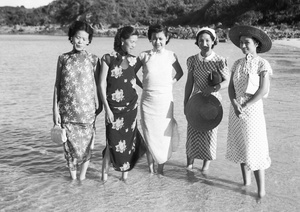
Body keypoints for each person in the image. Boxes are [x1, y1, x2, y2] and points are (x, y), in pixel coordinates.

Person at [226, 25, 272, 198]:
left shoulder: (262, 64)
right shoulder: (237, 63)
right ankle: (245, 185)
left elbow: (262, 89)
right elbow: (230, 88)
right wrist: (234, 103)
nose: (243, 46)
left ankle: (261, 192)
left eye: (247, 43)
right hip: (236, 109)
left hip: (252, 111)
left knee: (255, 148)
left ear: (256, 44)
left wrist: (245, 106)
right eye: (241, 43)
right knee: (241, 147)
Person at [52, 21, 102, 180]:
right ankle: (73, 180)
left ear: (89, 41)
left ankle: (82, 177)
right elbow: (57, 85)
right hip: (67, 111)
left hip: (87, 110)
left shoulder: (94, 59)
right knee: (69, 147)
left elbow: (99, 84)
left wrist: (100, 103)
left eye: (84, 38)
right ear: (71, 38)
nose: (80, 41)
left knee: (86, 147)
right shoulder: (63, 58)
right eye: (77, 37)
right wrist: (54, 110)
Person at [134, 24, 184, 175]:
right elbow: (131, 73)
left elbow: (180, 73)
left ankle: (160, 169)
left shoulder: (171, 55)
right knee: (149, 135)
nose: (157, 41)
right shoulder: (144, 55)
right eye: (154, 38)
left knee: (163, 135)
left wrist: (170, 83)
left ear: (166, 38)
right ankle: (150, 170)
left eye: (161, 38)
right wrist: (141, 85)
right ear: (150, 39)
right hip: (148, 101)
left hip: (165, 101)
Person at [99, 26, 146, 182]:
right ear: (122, 40)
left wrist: (146, 88)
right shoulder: (107, 58)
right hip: (113, 109)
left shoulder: (134, 59)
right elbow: (101, 85)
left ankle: (124, 178)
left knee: (129, 143)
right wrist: (107, 109)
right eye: (131, 41)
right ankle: (103, 179)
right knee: (111, 144)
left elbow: (134, 78)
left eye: (135, 42)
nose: (134, 45)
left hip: (131, 108)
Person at [184, 27, 229, 172]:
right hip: (195, 102)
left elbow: (228, 81)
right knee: (192, 132)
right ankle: (189, 166)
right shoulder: (192, 60)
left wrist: (213, 89)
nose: (204, 43)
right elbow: (189, 83)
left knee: (209, 135)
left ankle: (205, 168)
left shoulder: (219, 60)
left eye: (207, 40)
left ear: (213, 41)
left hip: (212, 103)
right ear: (197, 42)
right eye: (201, 40)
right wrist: (185, 103)